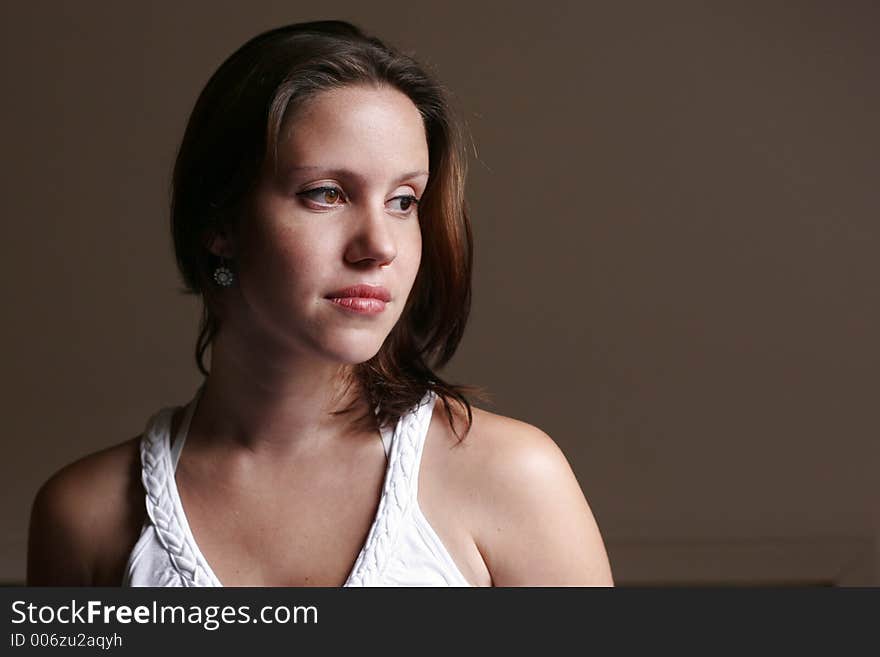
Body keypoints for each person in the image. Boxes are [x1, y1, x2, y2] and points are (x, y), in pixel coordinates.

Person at [26, 20, 613, 587]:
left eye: (404, 201)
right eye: (327, 194)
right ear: (221, 220)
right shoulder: (86, 518)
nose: (379, 246)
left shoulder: (511, 479)